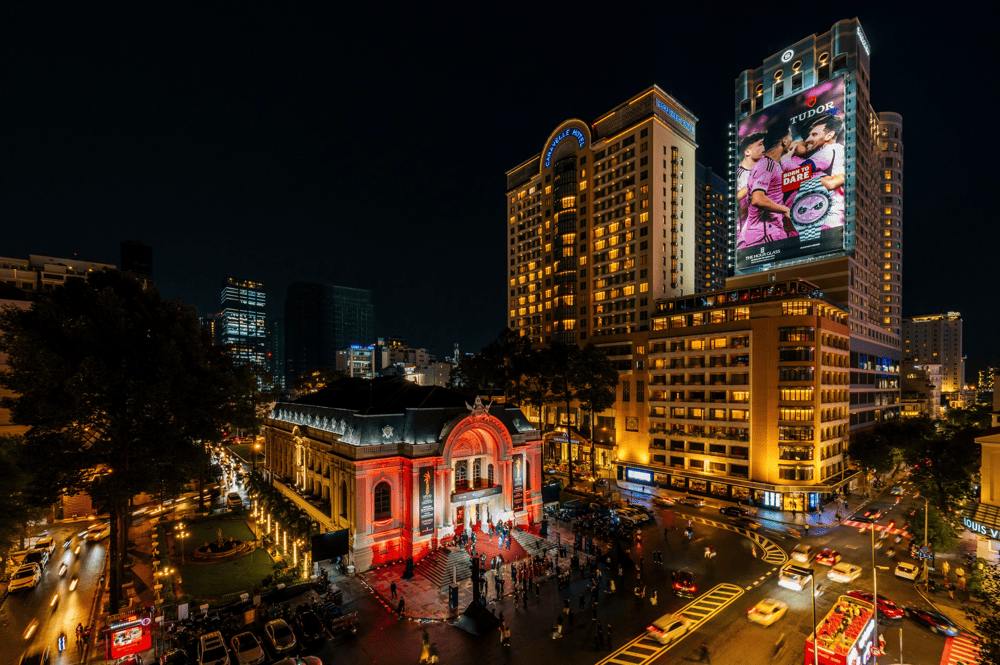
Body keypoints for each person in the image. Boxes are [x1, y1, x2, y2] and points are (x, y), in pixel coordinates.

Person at [738, 121, 793, 249]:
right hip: (765, 236)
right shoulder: (766, 165)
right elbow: (758, 199)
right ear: (784, 141)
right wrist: (786, 210)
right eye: (790, 136)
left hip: (771, 233)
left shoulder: (772, 164)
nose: (792, 140)